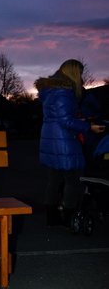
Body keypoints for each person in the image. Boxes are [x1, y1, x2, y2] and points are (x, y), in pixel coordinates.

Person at [34, 59, 105, 228]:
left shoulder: (51, 91)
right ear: (74, 73)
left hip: (52, 141)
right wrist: (89, 126)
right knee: (73, 180)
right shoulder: (64, 92)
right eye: (80, 73)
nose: (81, 77)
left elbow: (59, 117)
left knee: (54, 179)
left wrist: (80, 120)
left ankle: (52, 217)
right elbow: (66, 121)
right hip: (64, 142)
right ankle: (68, 215)